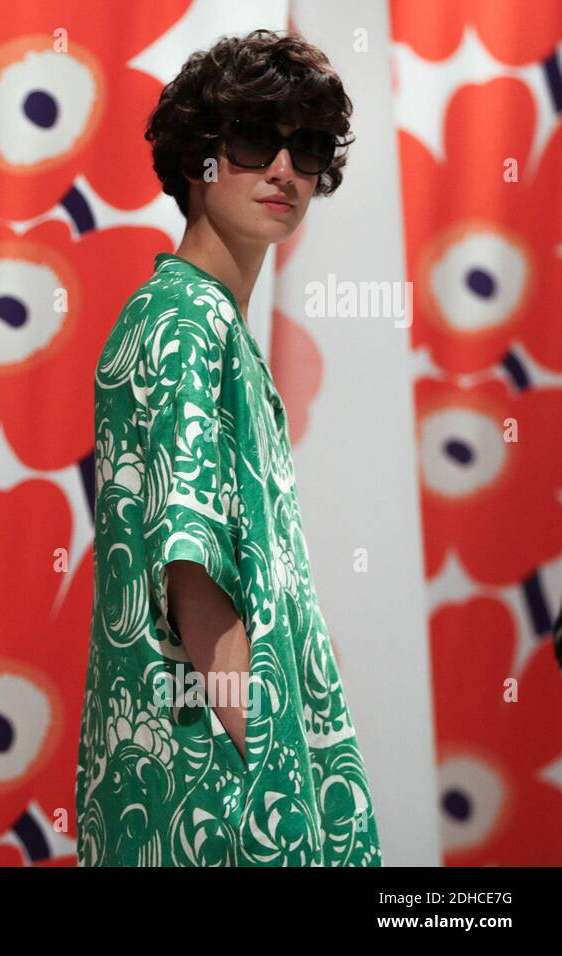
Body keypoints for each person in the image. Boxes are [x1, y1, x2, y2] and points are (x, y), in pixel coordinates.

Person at [75, 28, 381, 866]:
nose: (285, 169)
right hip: (215, 796)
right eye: (252, 140)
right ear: (194, 161)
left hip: (176, 783)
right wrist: (280, 780)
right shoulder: (188, 321)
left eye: (308, 147)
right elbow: (193, 576)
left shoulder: (197, 318)